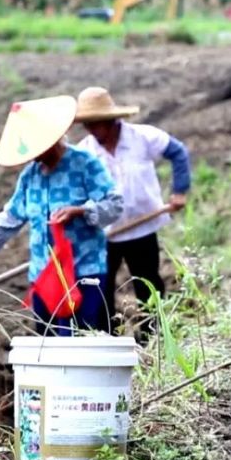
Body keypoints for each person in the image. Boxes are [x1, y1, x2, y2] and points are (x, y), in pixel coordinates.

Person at [0, 95, 124, 335]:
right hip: (44, 277)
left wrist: (81, 211)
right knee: (49, 342)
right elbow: (11, 216)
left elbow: (115, 205)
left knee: (80, 343)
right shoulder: (30, 176)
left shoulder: (84, 164)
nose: (34, 156)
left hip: (83, 273)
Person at [73, 87, 191, 338]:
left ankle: (155, 339)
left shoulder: (143, 137)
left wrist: (180, 190)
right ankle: (107, 340)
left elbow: (178, 152)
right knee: (101, 289)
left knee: (148, 284)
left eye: (95, 124)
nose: (92, 131)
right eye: (87, 125)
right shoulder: (84, 153)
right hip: (104, 235)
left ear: (111, 120)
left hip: (142, 228)